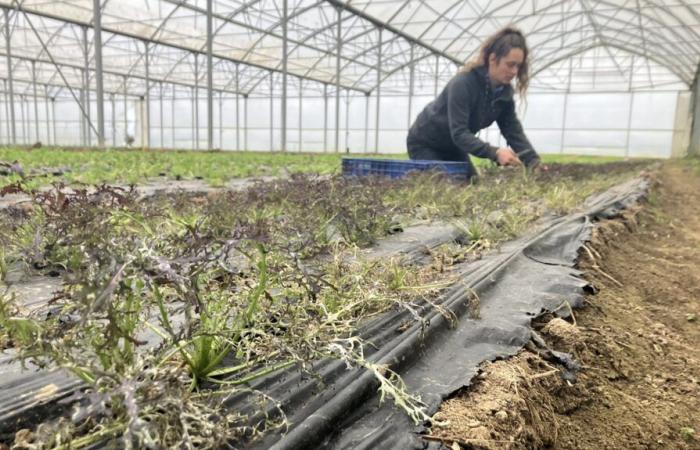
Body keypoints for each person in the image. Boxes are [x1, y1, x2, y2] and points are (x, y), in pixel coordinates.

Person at [407, 27, 541, 172]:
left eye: (518, 66)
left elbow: (512, 130)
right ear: (493, 59)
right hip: (426, 143)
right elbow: (459, 133)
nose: (514, 71)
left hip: (453, 146)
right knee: (443, 183)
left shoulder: (504, 94)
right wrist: (495, 153)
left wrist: (533, 161)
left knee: (472, 184)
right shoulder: (464, 83)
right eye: (510, 64)